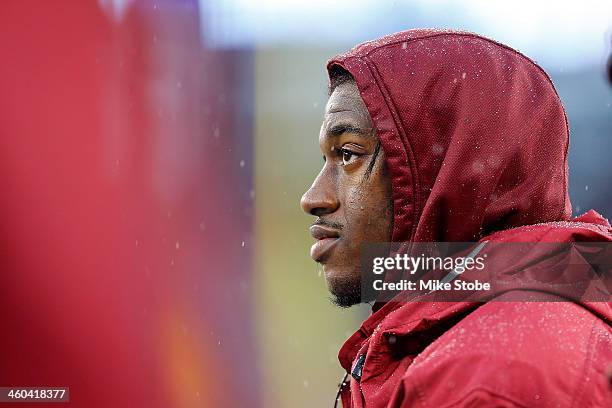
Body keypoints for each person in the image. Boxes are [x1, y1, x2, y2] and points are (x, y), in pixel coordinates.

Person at [300, 29, 612, 407]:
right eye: (325, 160)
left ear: (451, 171)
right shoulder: (504, 334)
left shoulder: (487, 376)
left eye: (348, 154)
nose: (312, 198)